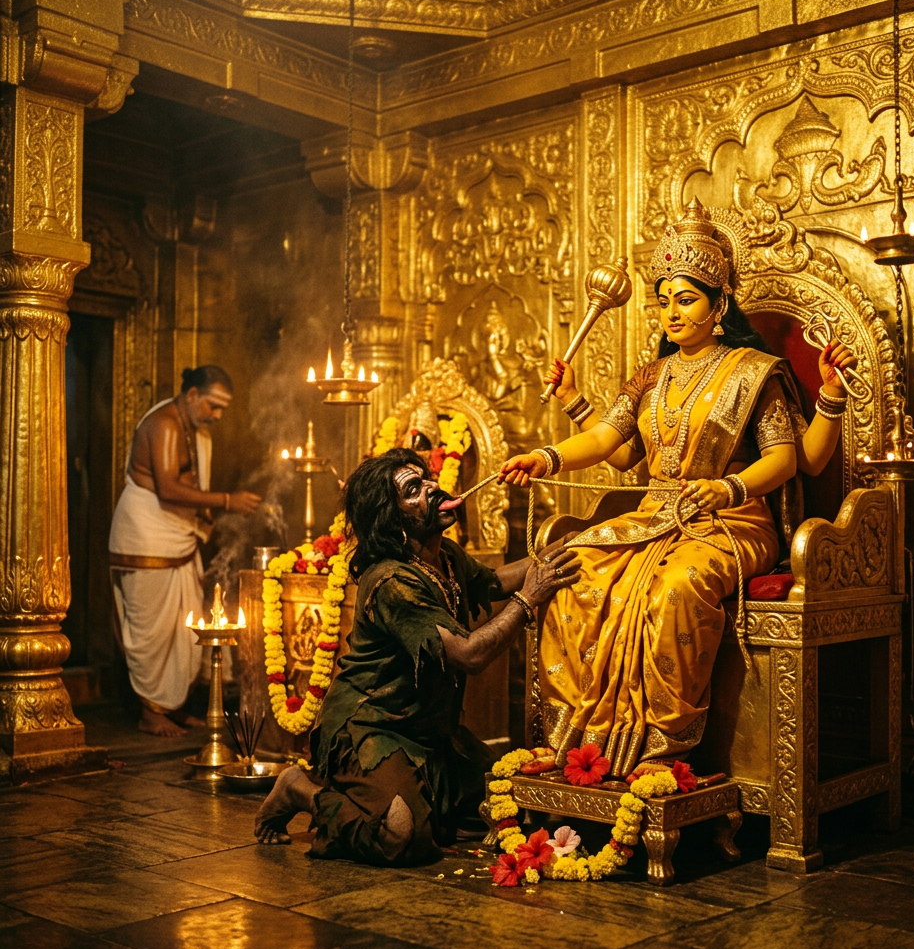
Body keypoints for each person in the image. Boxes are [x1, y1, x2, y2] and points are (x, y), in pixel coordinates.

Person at [498, 197, 857, 778]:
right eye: (664, 300)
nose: (671, 312)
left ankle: (664, 751)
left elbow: (789, 460)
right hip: (655, 516)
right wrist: (546, 454)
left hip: (733, 521)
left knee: (672, 589)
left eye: (686, 299)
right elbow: (615, 450)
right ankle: (580, 744)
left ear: (720, 306)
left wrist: (727, 490)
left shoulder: (750, 370)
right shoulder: (650, 376)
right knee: (574, 569)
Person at [254, 447, 580, 863]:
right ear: (393, 519)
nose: (432, 486)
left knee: (512, 804)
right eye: (413, 489)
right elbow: (468, 655)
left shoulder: (439, 554)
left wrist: (573, 544)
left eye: (427, 477)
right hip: (372, 729)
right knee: (400, 836)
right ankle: (300, 789)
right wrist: (529, 600)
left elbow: (495, 581)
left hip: (430, 733)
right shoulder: (393, 580)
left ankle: (422, 796)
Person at [109, 366, 262, 737]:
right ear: (192, 395)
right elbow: (167, 488)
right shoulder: (164, 423)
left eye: (223, 409)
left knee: (184, 624)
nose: (218, 415)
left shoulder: (194, 427)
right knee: (154, 630)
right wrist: (226, 500)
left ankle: (172, 706)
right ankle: (151, 712)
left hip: (176, 536)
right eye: (214, 406)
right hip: (147, 536)